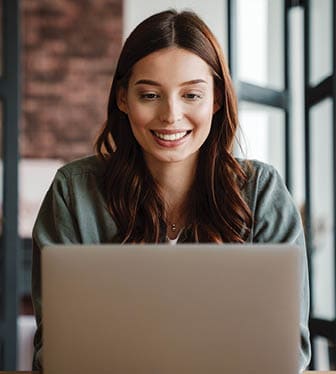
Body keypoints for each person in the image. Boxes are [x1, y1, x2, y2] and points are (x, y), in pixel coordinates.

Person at [31, 9, 311, 371]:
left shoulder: (262, 192)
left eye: (191, 95)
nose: (171, 115)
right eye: (150, 95)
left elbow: (289, 350)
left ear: (216, 100)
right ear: (122, 98)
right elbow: (55, 351)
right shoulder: (73, 193)